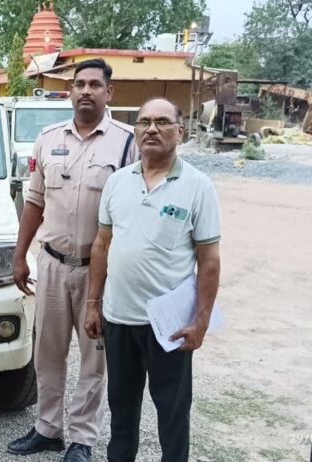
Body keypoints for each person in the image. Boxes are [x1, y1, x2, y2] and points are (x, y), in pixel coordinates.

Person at [8, 58, 137, 462]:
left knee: (94, 358)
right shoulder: (48, 139)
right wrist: (19, 256)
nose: (85, 91)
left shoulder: (127, 143)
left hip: (98, 271)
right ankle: (48, 428)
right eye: (79, 84)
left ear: (109, 93)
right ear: (70, 92)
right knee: (47, 351)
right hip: (50, 263)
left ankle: (82, 438)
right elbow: (34, 202)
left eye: (95, 85)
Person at [84, 98, 222, 462]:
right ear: (136, 131)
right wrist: (93, 304)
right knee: (121, 408)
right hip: (119, 317)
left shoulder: (198, 186)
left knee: (172, 412)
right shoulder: (117, 182)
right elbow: (101, 245)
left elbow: (209, 260)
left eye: (162, 122)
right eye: (144, 122)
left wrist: (201, 322)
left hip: (169, 325)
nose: (151, 129)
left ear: (180, 132)